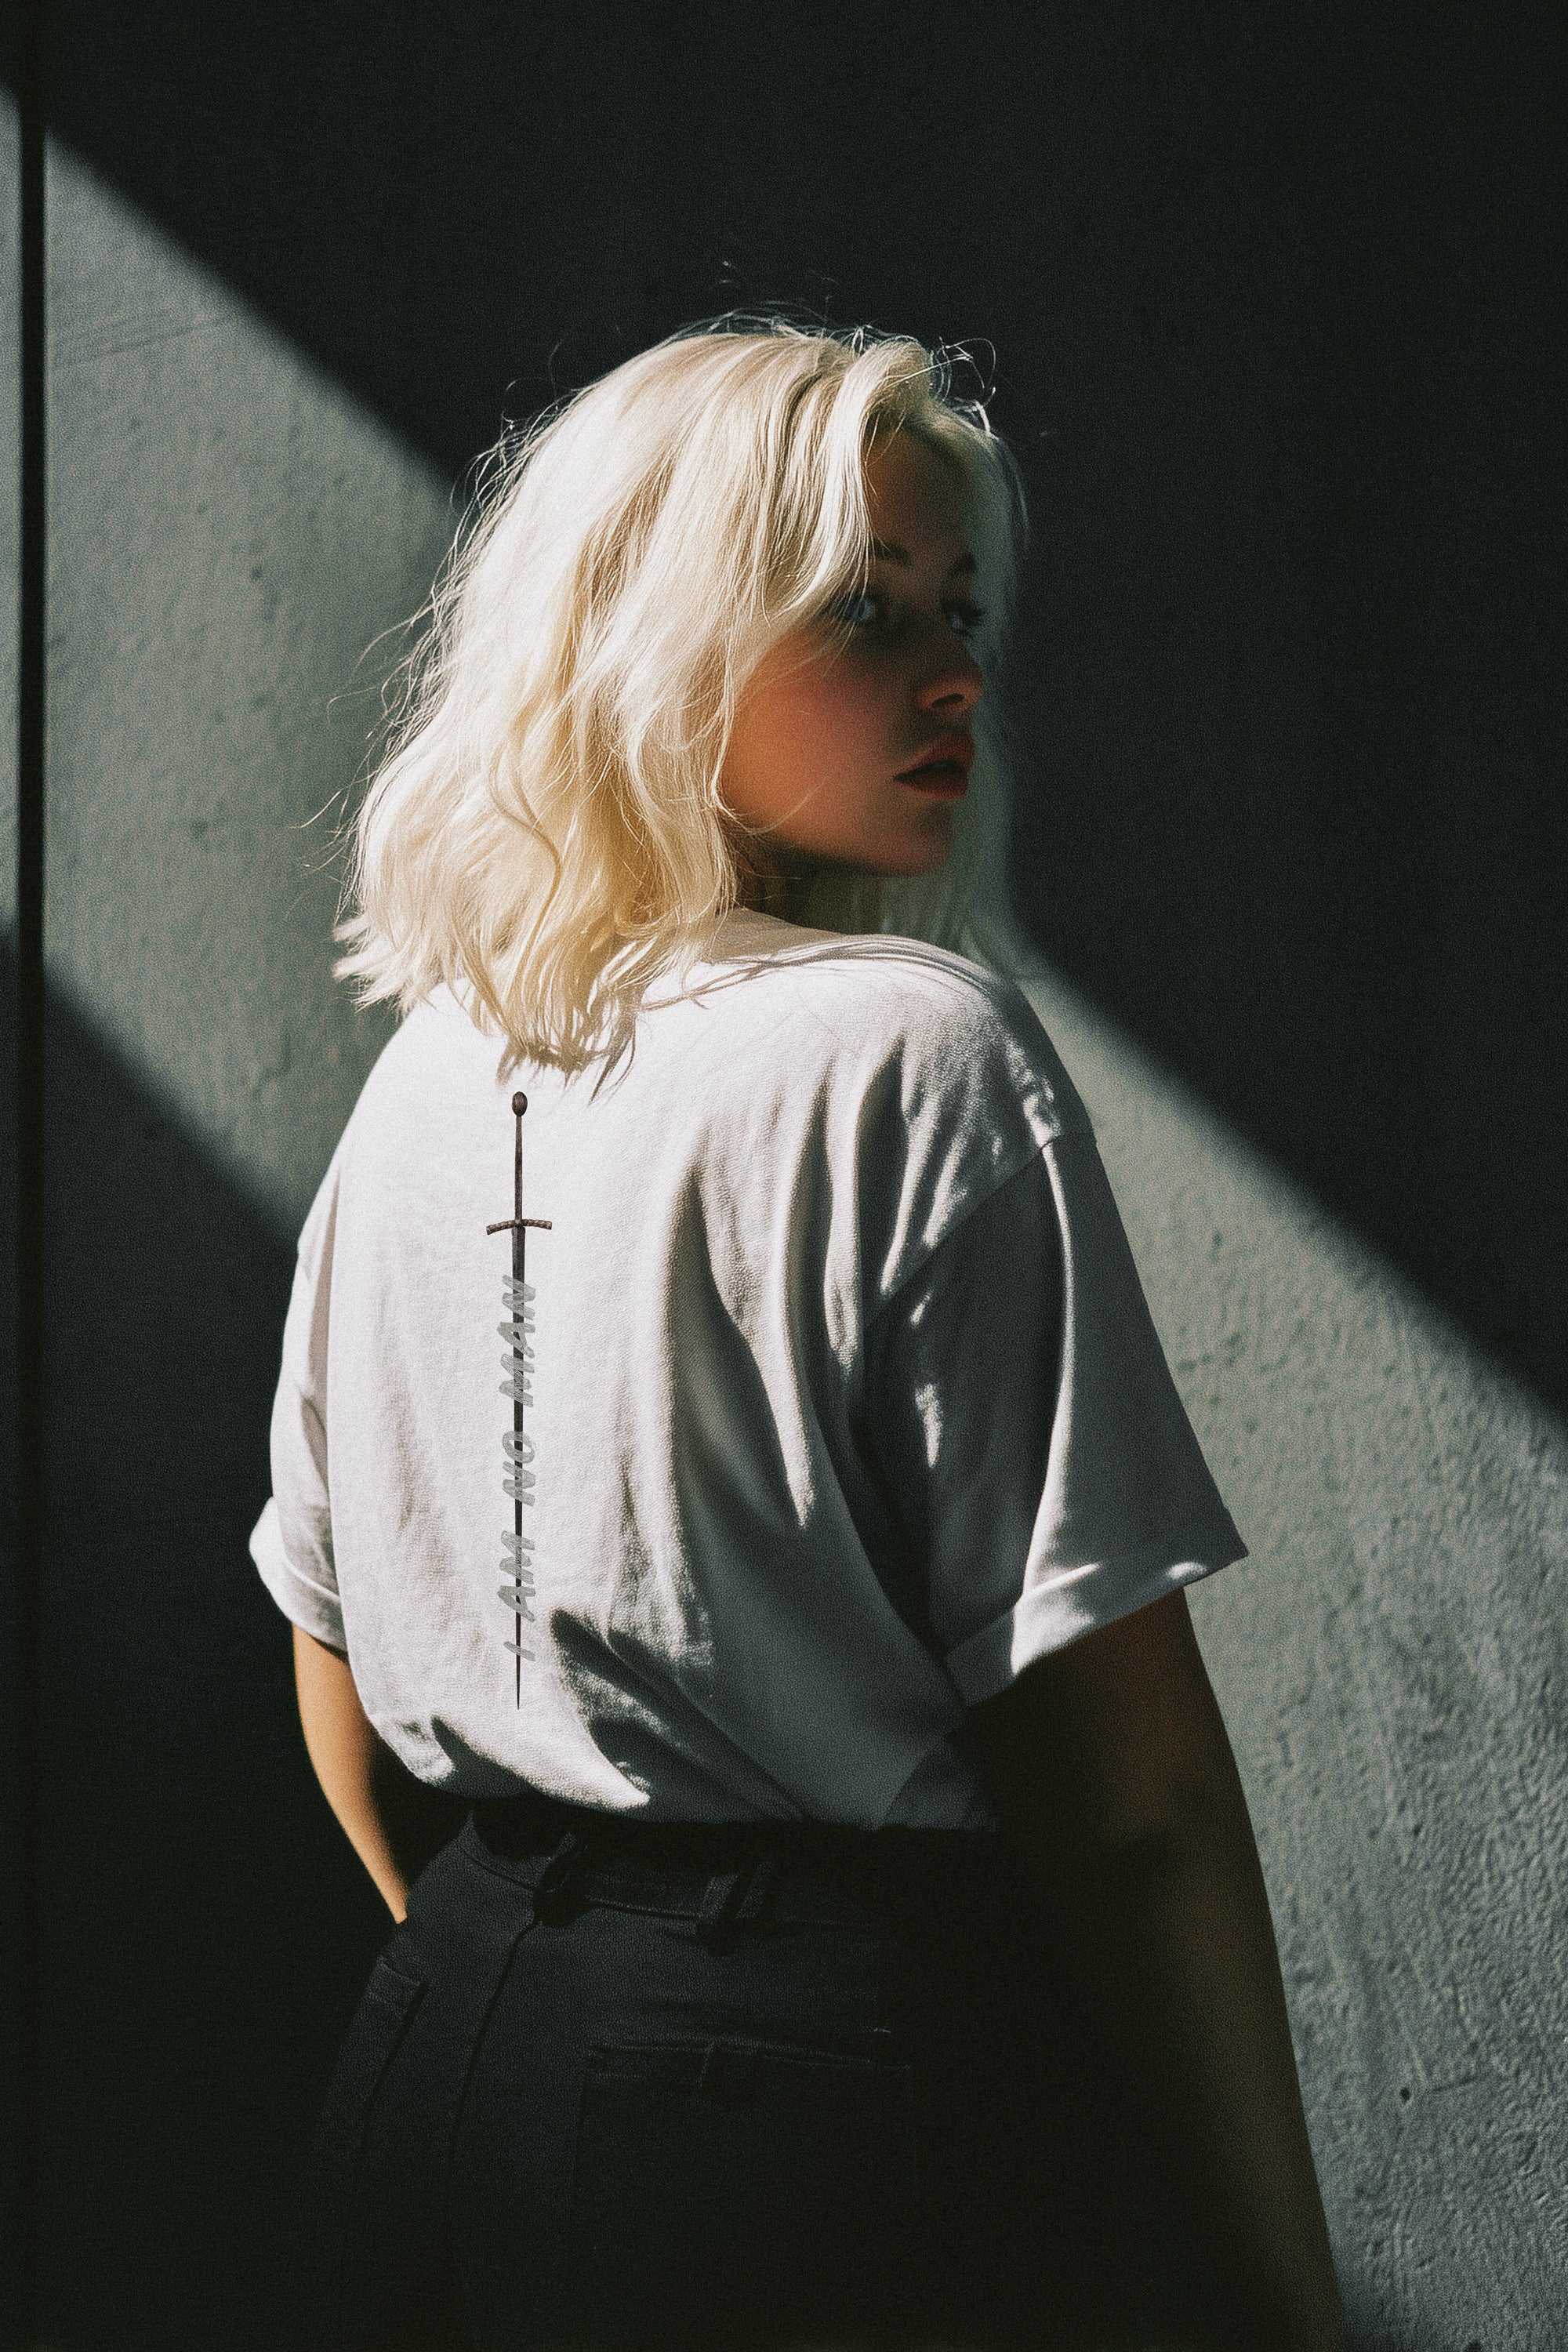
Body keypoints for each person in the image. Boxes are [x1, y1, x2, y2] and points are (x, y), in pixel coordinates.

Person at [252, 320, 1345, 2351]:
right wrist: (1289, 2301)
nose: (954, 674)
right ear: (654, 639)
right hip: (806, 2113)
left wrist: (540, 1986)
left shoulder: (428, 1069)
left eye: (962, 612)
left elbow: (335, 1682)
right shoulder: (915, 1055)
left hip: (429, 2071)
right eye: (864, 605)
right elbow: (1141, 1817)